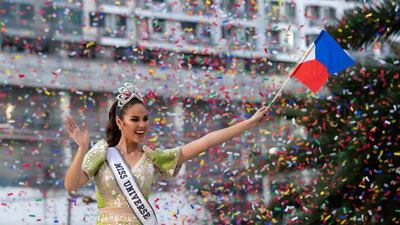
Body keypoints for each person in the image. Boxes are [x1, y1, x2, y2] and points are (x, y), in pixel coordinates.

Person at [64, 82, 270, 225]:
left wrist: (250, 122)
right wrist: (82, 148)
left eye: (145, 119)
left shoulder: (153, 157)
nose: (142, 125)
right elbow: (71, 185)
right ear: (119, 122)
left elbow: (205, 141)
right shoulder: (102, 153)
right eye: (135, 119)